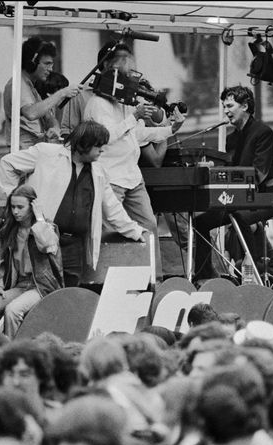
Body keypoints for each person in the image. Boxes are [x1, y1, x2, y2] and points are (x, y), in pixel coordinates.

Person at [0, 120, 149, 287]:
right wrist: (11, 204)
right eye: (98, 146)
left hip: (75, 246)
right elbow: (8, 163)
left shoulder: (98, 171)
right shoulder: (46, 153)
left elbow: (112, 208)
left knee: (68, 297)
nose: (102, 150)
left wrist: (135, 231)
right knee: (40, 292)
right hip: (42, 240)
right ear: (85, 144)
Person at [83, 51, 187, 282]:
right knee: (111, 230)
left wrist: (171, 129)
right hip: (111, 178)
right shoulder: (97, 104)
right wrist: (135, 116)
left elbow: (137, 134)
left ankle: (153, 279)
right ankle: (107, 281)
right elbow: (106, 136)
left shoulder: (124, 104)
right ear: (115, 75)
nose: (134, 80)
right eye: (130, 73)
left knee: (148, 225)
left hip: (131, 176)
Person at [193, 85, 273, 282]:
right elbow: (231, 170)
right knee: (200, 222)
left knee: (239, 217)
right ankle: (204, 277)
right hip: (240, 198)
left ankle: (251, 273)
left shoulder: (263, 132)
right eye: (224, 106)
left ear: (244, 106)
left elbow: (259, 173)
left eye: (229, 106)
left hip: (267, 196)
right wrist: (213, 171)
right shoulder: (232, 137)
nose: (225, 111)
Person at [0, 185, 63, 337]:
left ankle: (14, 353)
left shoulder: (46, 227)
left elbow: (48, 245)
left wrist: (39, 219)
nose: (15, 211)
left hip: (41, 287)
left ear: (32, 206)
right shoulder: (8, 231)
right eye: (13, 207)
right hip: (19, 286)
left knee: (13, 310)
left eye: (20, 207)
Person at [3, 36, 82, 149]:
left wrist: (54, 128)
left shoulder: (30, 86)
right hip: (23, 152)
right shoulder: (18, 84)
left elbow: (48, 117)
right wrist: (62, 93)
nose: (50, 69)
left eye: (51, 64)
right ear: (32, 63)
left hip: (34, 150)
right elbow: (31, 113)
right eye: (46, 63)